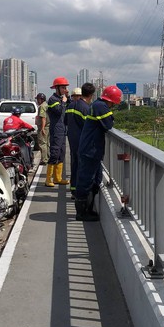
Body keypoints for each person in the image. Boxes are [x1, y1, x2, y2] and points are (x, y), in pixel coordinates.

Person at [74, 85, 122, 221]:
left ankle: (88, 209)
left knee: (96, 180)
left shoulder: (97, 104)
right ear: (111, 100)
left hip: (92, 149)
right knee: (85, 180)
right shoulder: (101, 106)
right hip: (90, 150)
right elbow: (108, 124)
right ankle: (81, 213)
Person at [65, 83, 95, 199]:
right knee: (82, 167)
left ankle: (74, 189)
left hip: (72, 141)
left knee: (74, 165)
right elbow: (88, 126)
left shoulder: (70, 107)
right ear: (91, 95)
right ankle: (80, 193)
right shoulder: (85, 108)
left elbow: (65, 122)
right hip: (83, 142)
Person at [46, 77, 70, 187]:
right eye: (63, 87)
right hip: (56, 130)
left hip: (63, 130)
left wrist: (67, 99)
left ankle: (57, 178)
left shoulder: (61, 99)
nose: (65, 90)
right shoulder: (52, 99)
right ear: (57, 88)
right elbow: (59, 111)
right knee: (55, 153)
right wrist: (64, 102)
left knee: (61, 153)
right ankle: (48, 179)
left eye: (66, 87)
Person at [35, 93, 49, 166]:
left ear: (41, 99)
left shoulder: (42, 106)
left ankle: (44, 159)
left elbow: (43, 118)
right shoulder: (46, 105)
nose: (37, 101)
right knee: (47, 143)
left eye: (37, 99)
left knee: (42, 143)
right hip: (48, 126)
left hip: (43, 127)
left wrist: (42, 128)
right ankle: (47, 157)